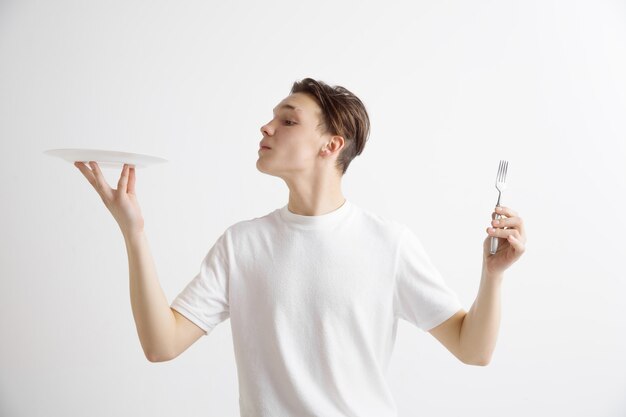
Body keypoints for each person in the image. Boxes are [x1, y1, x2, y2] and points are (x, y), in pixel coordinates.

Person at [75, 78, 527, 417]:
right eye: (273, 117)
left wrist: (494, 276)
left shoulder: (388, 244)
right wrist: (132, 231)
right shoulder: (241, 245)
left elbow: (474, 349)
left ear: (331, 145)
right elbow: (161, 344)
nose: (266, 127)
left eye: (287, 120)